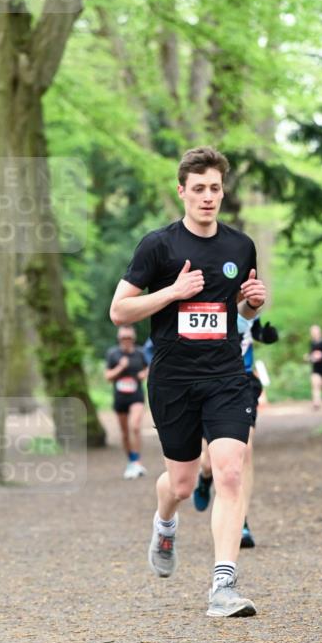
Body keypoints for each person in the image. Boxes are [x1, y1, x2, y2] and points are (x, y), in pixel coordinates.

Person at [109, 146, 266, 617]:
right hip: (173, 379)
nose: (207, 197)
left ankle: (223, 585)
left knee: (230, 471)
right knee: (179, 483)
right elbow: (119, 310)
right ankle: (165, 523)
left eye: (215, 188)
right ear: (182, 192)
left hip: (224, 375)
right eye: (198, 189)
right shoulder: (158, 246)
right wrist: (172, 292)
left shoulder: (240, 246)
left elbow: (231, 313)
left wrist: (252, 305)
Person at [193, 314, 279, 549]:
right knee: (209, 461)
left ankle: (240, 521)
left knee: (245, 450)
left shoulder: (245, 293)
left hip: (243, 381)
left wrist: (266, 335)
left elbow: (254, 329)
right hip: (207, 382)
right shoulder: (204, 296)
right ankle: (204, 478)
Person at [104, 325, 149, 479]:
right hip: (120, 398)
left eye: (129, 338)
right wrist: (120, 367)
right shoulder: (113, 354)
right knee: (124, 433)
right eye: (123, 338)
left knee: (135, 427)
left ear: (133, 339)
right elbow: (108, 377)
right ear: (119, 339)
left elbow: (149, 368)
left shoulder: (140, 353)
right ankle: (131, 461)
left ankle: (137, 462)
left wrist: (144, 373)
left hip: (136, 396)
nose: (126, 341)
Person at [306, 324, 322, 409]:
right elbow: (311, 354)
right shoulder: (312, 343)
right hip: (315, 367)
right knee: (315, 384)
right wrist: (309, 357)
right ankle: (316, 403)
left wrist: (321, 355)